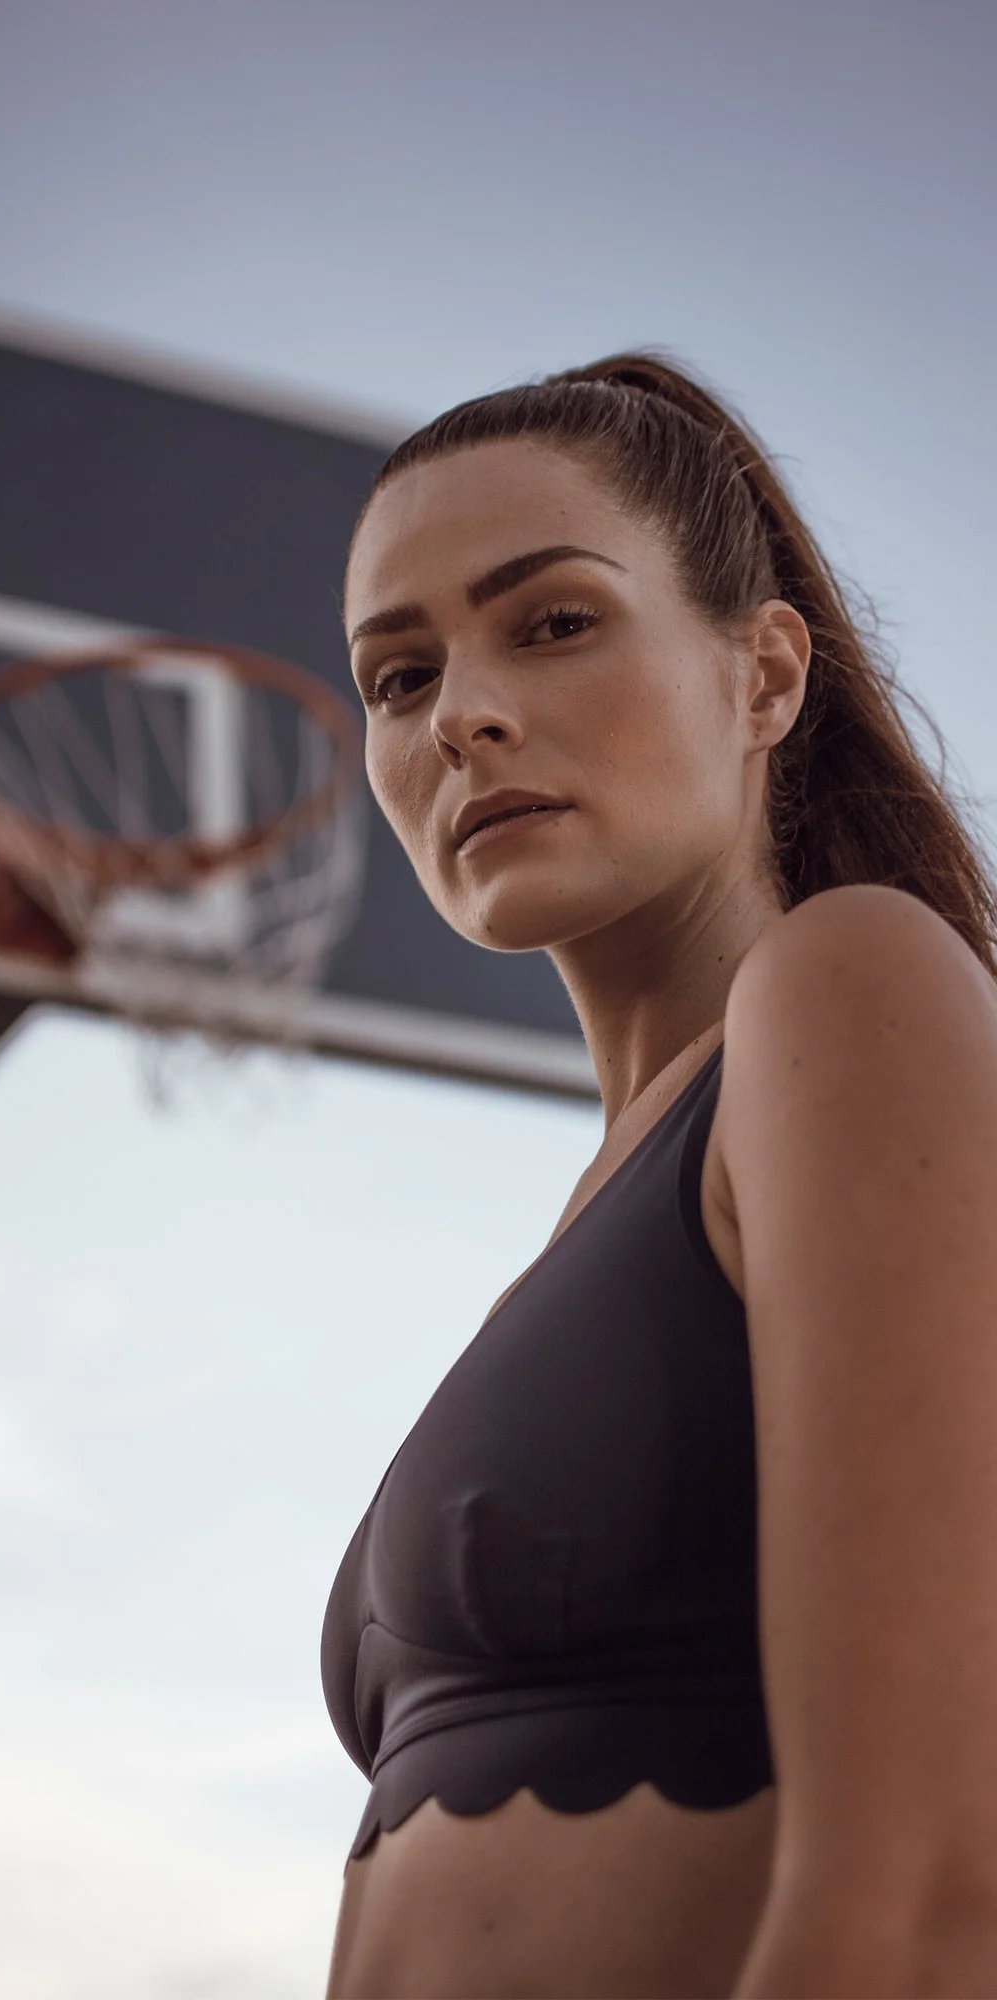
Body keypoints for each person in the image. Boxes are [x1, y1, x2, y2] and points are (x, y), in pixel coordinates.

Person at [320, 355, 997, 1999]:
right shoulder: (603, 1213)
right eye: (400, 676)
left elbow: (934, 1895)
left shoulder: (853, 985)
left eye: (550, 623)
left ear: (766, 677)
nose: (461, 711)